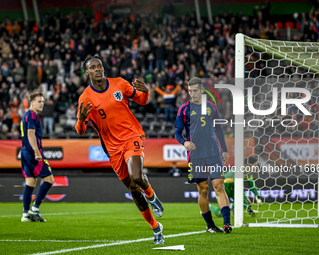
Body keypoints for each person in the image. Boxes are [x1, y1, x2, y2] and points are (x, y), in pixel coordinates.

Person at [75, 56, 164, 244]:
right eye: (93, 67)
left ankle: (152, 196)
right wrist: (81, 120)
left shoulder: (119, 84)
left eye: (100, 65)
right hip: (112, 148)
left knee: (137, 176)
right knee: (132, 188)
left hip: (131, 136)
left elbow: (141, 100)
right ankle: (155, 227)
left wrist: (146, 92)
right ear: (87, 72)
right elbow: (80, 130)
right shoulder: (85, 98)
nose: (98, 69)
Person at [175, 77, 232, 234]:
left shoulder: (211, 107)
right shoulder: (184, 109)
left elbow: (219, 129)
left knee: (219, 186)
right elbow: (177, 132)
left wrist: (224, 149)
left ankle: (227, 223)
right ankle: (210, 225)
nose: (192, 94)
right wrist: (184, 143)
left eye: (195, 91)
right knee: (203, 190)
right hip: (196, 155)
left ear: (202, 90)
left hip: (214, 153)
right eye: (190, 91)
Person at [20, 92, 54, 222]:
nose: (42, 103)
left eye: (43, 101)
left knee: (30, 183)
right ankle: (35, 209)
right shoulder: (33, 115)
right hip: (33, 153)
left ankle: (25, 214)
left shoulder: (26, 115)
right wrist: (36, 151)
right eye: (39, 101)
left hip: (24, 152)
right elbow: (30, 133)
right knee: (49, 180)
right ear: (32, 102)